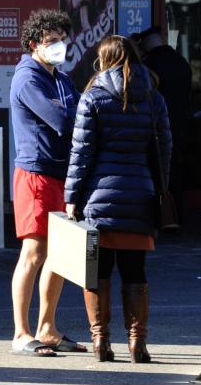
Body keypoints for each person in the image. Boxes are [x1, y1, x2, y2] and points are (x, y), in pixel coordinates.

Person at [65, 36, 169, 364]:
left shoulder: (93, 97)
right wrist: (159, 187)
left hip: (99, 198)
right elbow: (164, 149)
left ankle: (100, 341)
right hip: (140, 193)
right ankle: (138, 343)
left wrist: (72, 197)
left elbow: (81, 153)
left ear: (104, 59)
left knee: (98, 271)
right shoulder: (154, 98)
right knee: (135, 270)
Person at [8, 9, 85, 358]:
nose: (59, 47)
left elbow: (80, 116)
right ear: (33, 44)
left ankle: (48, 328)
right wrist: (80, 116)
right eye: (51, 42)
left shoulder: (62, 79)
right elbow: (62, 120)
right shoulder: (27, 77)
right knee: (34, 252)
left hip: (62, 174)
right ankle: (22, 333)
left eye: (62, 40)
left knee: (60, 255)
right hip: (36, 174)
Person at [133, 27, 192, 213]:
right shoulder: (182, 62)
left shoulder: (148, 65)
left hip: (155, 126)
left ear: (146, 46)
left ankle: (160, 216)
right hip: (179, 122)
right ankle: (175, 214)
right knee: (175, 168)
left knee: (156, 171)